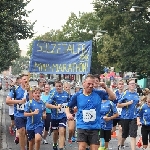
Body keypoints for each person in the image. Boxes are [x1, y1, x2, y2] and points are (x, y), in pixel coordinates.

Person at [65, 74, 115, 150]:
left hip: (95, 127)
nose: (91, 86)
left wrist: (105, 87)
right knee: (82, 147)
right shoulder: (77, 95)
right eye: (89, 84)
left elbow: (113, 97)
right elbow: (67, 106)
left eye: (92, 84)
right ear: (83, 83)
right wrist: (68, 113)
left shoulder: (99, 93)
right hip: (82, 126)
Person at [6, 74, 28, 150]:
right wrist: (19, 101)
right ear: (20, 80)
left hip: (29, 114)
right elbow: (7, 101)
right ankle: (23, 148)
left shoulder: (31, 90)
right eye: (24, 79)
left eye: (27, 79)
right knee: (22, 132)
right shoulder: (15, 89)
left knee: (27, 133)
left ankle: (27, 146)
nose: (26, 80)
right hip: (19, 115)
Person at [46, 81, 70, 150]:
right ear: (55, 86)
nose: (58, 87)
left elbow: (69, 103)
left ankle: (61, 147)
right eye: (57, 86)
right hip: (54, 116)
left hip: (63, 116)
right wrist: (56, 107)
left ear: (62, 86)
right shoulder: (53, 94)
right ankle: (55, 143)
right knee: (55, 133)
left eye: (59, 86)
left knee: (62, 131)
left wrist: (71, 108)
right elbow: (47, 105)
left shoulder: (66, 94)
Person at [117, 79, 139, 150]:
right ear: (128, 85)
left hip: (134, 117)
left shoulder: (136, 94)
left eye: (134, 84)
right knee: (125, 134)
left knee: (133, 135)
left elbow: (137, 104)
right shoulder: (125, 93)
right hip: (125, 117)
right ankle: (121, 144)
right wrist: (127, 103)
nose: (133, 85)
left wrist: (139, 104)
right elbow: (118, 105)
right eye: (131, 84)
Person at [111, 80, 124, 149]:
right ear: (117, 85)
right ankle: (104, 136)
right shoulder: (114, 93)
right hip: (115, 114)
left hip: (122, 115)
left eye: (122, 84)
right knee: (112, 130)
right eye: (120, 84)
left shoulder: (125, 94)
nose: (121, 85)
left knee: (121, 129)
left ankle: (119, 146)